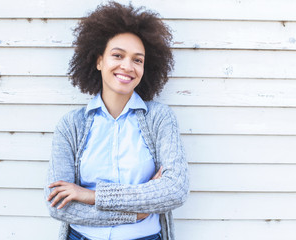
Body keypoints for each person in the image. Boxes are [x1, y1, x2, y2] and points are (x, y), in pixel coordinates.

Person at [44, 2, 189, 240]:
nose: (127, 66)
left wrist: (90, 195)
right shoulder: (70, 126)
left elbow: (175, 189)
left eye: (137, 60)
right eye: (118, 55)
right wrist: (136, 213)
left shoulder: (160, 118)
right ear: (99, 60)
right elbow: (59, 204)